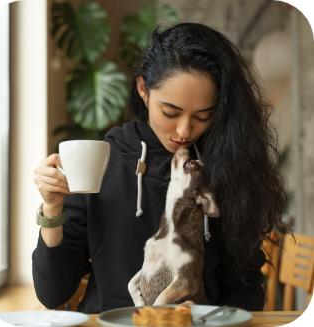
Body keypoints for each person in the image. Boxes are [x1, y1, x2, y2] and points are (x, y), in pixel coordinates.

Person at [32, 23, 292, 314]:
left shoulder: (225, 166)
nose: (184, 130)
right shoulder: (102, 164)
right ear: (143, 89)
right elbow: (52, 294)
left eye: (203, 116)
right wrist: (52, 209)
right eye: (171, 112)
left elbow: (246, 289)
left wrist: (210, 316)